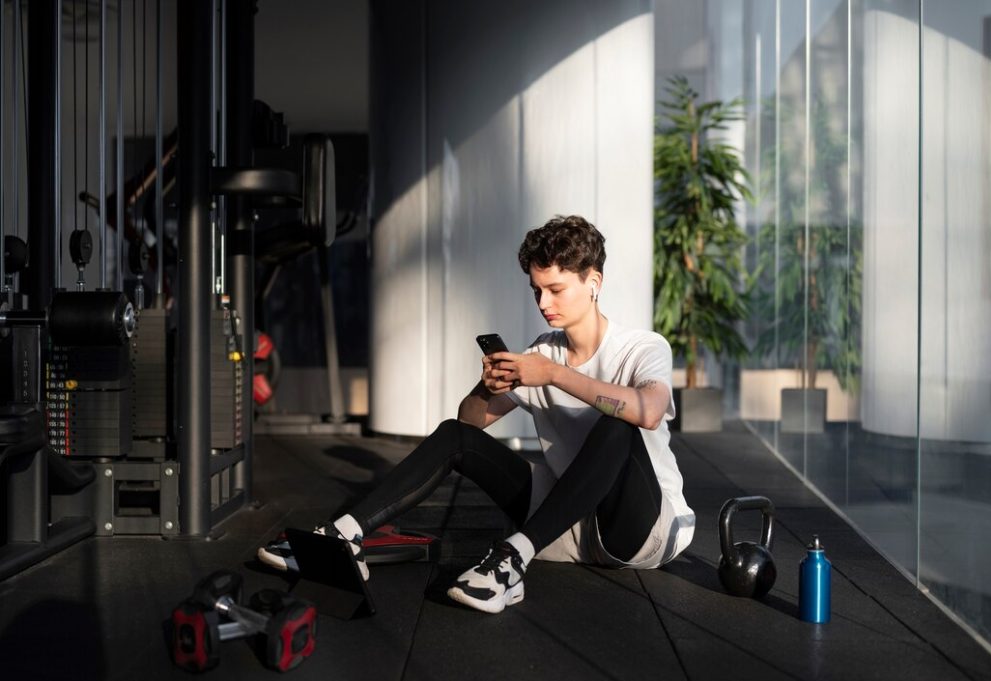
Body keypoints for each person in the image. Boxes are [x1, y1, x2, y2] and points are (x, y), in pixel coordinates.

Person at [258, 214, 695, 614]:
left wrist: (555, 375)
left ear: (593, 281)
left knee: (617, 424)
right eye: (536, 290)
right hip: (565, 527)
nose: (543, 303)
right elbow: (468, 426)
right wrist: (487, 387)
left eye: (556, 289)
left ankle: (510, 562)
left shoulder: (642, 347)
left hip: (640, 531)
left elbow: (649, 411)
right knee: (452, 433)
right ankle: (344, 535)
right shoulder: (542, 352)